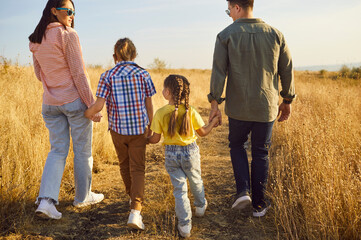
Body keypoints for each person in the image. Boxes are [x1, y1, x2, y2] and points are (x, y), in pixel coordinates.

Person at [208, 0, 296, 218]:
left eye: (229, 10)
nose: (229, 14)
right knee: (260, 152)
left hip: (238, 108)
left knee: (237, 145)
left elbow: (219, 72)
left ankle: (243, 191)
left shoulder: (225, 35)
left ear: (237, 7)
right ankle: (259, 205)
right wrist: (287, 100)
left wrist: (215, 103)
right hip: (265, 108)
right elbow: (287, 70)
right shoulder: (276, 35)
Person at [29, 0, 104, 220]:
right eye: (68, 11)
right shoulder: (68, 34)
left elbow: (38, 74)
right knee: (82, 150)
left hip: (50, 104)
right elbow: (79, 73)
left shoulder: (35, 39)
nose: (72, 15)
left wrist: (54, 83)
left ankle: (46, 202)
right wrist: (92, 105)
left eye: (73, 12)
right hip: (74, 102)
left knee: (57, 151)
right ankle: (83, 197)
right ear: (54, 11)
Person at [84, 38, 156, 230]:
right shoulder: (143, 74)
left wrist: (87, 113)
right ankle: (135, 210)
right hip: (139, 130)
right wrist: (152, 126)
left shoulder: (107, 75)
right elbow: (149, 104)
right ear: (134, 54)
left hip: (117, 131)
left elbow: (99, 104)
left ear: (115, 56)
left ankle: (131, 198)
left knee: (124, 165)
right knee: (138, 168)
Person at [148, 74, 219, 238]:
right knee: (196, 179)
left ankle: (185, 226)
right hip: (190, 152)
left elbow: (155, 139)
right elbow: (203, 132)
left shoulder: (160, 113)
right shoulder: (191, 111)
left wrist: (144, 139)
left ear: (167, 92)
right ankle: (200, 207)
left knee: (180, 190)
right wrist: (213, 123)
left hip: (171, 155)